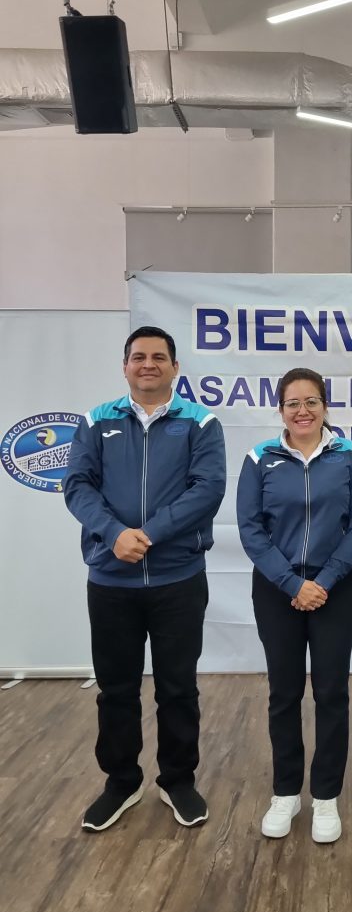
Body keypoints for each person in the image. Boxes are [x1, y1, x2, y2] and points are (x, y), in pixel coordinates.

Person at [64, 325, 226, 832]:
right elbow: (77, 485)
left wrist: (148, 534)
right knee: (117, 688)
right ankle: (121, 781)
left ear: (176, 367)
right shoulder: (97, 421)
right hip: (111, 581)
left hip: (178, 579)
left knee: (178, 687)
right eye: (139, 357)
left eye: (159, 357)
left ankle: (178, 779)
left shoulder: (201, 422)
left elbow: (207, 489)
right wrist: (114, 534)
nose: (148, 364)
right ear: (126, 366)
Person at [237, 367, 352, 844]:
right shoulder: (260, 458)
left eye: (311, 401)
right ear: (280, 409)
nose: (302, 410)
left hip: (336, 589)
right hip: (278, 590)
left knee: (332, 693)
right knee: (284, 692)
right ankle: (286, 792)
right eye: (293, 403)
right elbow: (251, 529)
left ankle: (326, 797)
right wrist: (292, 583)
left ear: (325, 406)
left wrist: (325, 581)